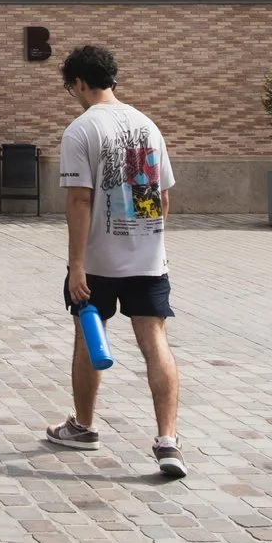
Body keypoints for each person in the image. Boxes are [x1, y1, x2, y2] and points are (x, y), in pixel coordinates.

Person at [47, 43, 185, 479]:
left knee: (88, 336)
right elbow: (161, 197)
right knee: (155, 341)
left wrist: (76, 266)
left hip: (100, 260)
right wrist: (149, 241)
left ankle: (85, 426)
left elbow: (79, 200)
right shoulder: (148, 125)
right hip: (149, 257)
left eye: (72, 88)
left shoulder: (81, 130)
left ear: (80, 83)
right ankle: (168, 440)